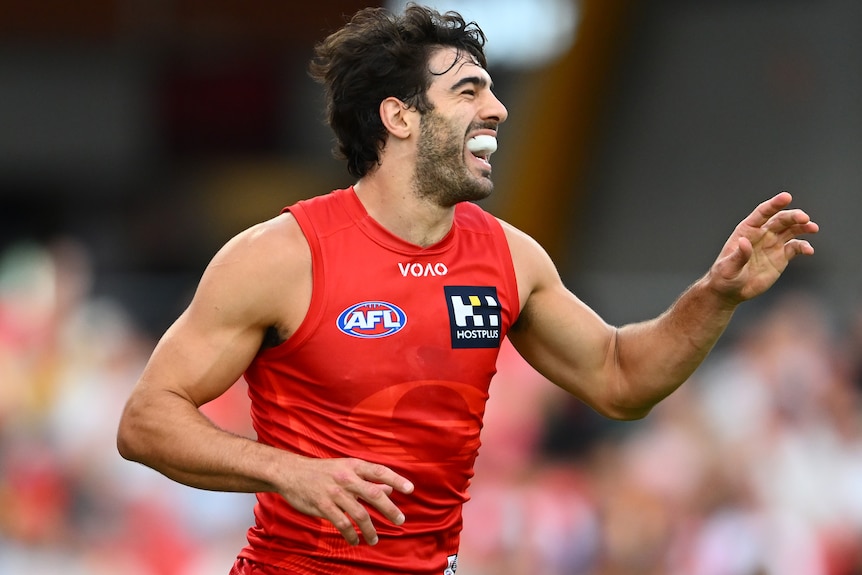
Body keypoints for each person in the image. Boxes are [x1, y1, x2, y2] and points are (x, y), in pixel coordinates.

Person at [116, 4, 819, 575]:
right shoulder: (280, 255)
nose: (499, 109)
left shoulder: (508, 255)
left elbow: (621, 377)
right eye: (469, 90)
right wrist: (287, 472)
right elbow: (146, 420)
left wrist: (716, 295)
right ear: (399, 117)